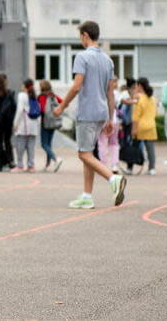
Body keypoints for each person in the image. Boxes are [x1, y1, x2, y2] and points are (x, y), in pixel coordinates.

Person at [52, 21, 126, 209]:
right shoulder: (108, 60)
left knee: (83, 154)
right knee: (89, 153)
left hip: (87, 112)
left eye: (80, 37)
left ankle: (113, 178)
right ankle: (87, 195)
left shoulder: (82, 57)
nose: (80, 40)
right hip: (102, 112)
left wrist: (62, 106)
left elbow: (77, 86)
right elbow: (110, 92)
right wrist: (110, 118)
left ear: (85, 35)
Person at [11, 79, 39, 173]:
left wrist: (15, 123)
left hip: (24, 125)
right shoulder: (35, 95)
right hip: (33, 124)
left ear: (24, 86)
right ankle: (31, 166)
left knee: (20, 146)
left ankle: (20, 165)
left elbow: (19, 111)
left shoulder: (22, 95)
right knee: (31, 147)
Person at [132, 77, 158, 176]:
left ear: (140, 86)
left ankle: (131, 166)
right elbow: (155, 113)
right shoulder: (152, 98)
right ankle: (152, 168)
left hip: (141, 126)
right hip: (151, 125)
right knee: (150, 149)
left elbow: (136, 116)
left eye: (136, 86)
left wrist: (134, 129)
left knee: (135, 147)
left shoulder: (139, 98)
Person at [38, 80, 63, 172]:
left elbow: (42, 109)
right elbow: (63, 102)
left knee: (44, 144)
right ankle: (48, 165)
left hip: (45, 123)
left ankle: (56, 159)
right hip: (54, 123)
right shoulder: (53, 95)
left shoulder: (42, 97)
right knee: (49, 144)